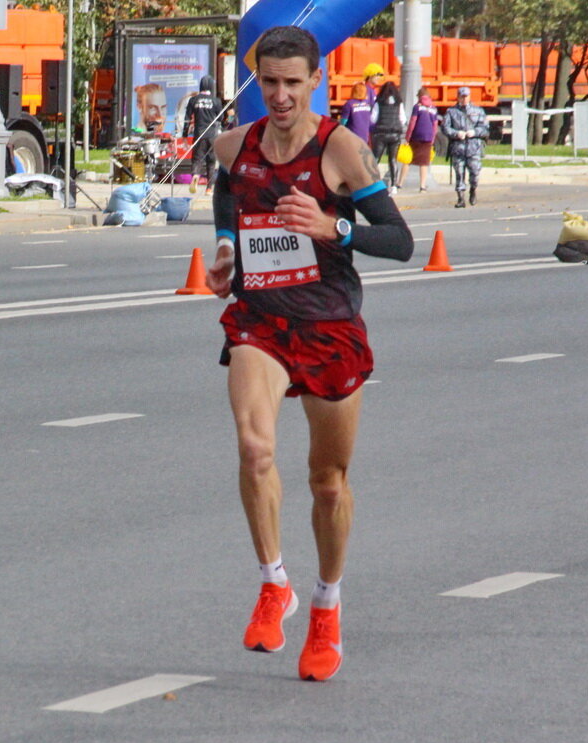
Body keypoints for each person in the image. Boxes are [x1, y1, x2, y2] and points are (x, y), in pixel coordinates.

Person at [205, 25, 413, 682]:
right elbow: (225, 194)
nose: (281, 95)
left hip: (329, 326)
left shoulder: (341, 150)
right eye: (269, 82)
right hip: (261, 321)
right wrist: (223, 250)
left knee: (328, 483)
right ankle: (274, 582)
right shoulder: (236, 144)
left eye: (293, 83)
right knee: (254, 448)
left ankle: (326, 604)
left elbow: (401, 241)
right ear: (256, 79)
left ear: (314, 80)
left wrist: (335, 226)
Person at [441, 86, 488, 208]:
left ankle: (473, 190)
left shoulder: (478, 111)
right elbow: (445, 127)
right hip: (458, 148)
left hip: (474, 148)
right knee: (459, 173)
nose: (464, 99)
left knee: (475, 173)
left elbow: (485, 129)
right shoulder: (451, 112)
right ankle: (460, 198)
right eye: (462, 96)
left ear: (470, 96)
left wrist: (475, 132)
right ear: (458, 97)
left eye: (466, 96)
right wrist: (456, 133)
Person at [184, 75, 222, 193]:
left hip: (199, 133)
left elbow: (187, 118)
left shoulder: (193, 100)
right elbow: (220, 118)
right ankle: (209, 188)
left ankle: (195, 176)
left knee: (197, 159)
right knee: (211, 161)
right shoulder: (216, 101)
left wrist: (184, 135)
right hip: (212, 134)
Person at [397, 86, 439, 192]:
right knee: (424, 163)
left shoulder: (417, 107)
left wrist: (408, 136)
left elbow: (412, 122)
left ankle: (400, 183)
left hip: (416, 137)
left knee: (408, 160)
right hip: (427, 138)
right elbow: (435, 125)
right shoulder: (433, 108)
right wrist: (432, 139)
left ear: (419, 96)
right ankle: (422, 186)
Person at [370, 80, 405, 194]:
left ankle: (372, 182)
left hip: (381, 133)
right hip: (395, 134)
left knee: (376, 159)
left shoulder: (379, 102)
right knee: (393, 159)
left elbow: (373, 119)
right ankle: (394, 186)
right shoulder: (398, 103)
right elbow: (403, 119)